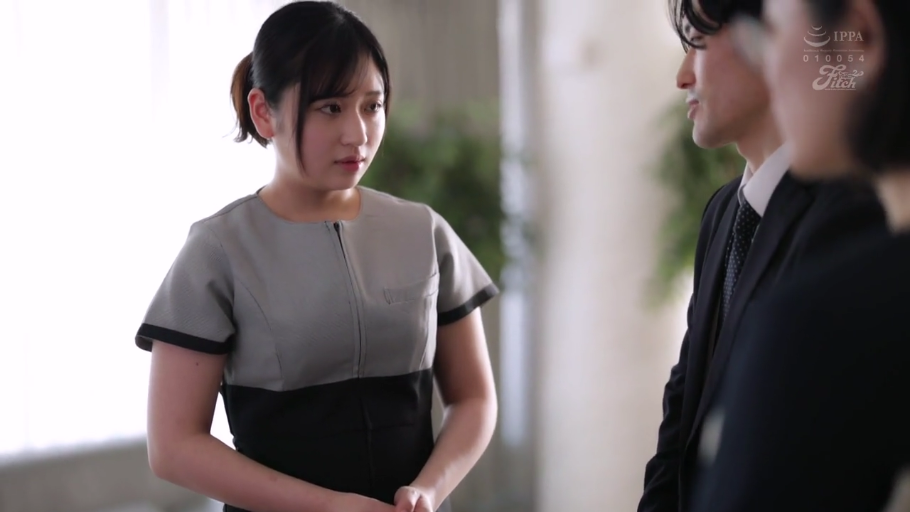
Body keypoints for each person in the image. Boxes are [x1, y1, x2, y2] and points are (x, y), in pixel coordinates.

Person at [135, 3, 499, 512]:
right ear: (264, 111)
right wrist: (327, 507)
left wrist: (429, 491)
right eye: (330, 107)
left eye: (372, 106)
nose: (358, 134)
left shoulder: (423, 232)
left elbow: (474, 398)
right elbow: (174, 447)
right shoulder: (219, 250)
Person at [637, 0, 888, 510]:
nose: (683, 77)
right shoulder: (723, 211)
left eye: (698, 45)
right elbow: (682, 415)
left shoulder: (850, 212)